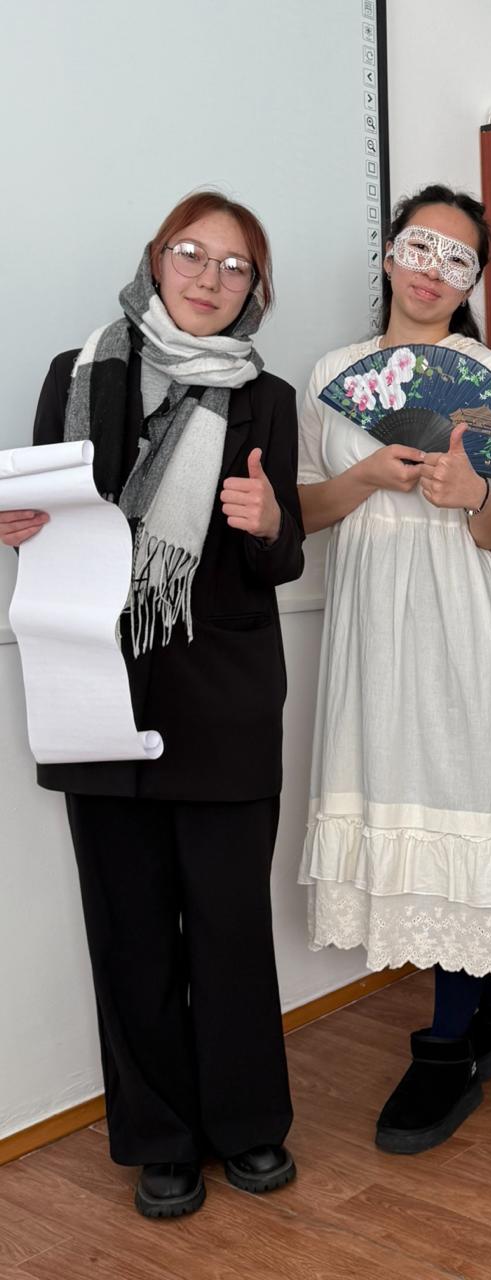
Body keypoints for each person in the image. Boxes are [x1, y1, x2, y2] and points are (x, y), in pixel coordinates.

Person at [1, 192, 303, 1216]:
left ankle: (248, 1125)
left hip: (222, 700)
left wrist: (269, 524)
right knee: (128, 929)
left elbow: (282, 558)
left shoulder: (267, 398)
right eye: (192, 254)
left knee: (229, 928)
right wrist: (16, 526)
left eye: (234, 266)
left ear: (254, 290)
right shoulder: (76, 375)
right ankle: (161, 1137)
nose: (210, 277)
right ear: (156, 259)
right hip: (97, 686)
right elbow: (46, 518)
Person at [297, 184, 491, 1154]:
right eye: (420, 246)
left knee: (460, 804)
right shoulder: (330, 374)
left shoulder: (490, 373)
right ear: (389, 253)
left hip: (465, 620)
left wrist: (468, 495)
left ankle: (448, 1045)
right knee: (403, 808)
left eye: (457, 259)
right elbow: (305, 514)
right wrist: (366, 475)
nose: (432, 269)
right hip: (374, 629)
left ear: (471, 280)